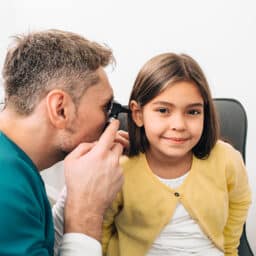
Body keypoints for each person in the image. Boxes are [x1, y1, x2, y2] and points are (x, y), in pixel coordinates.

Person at [102, 53, 252, 256]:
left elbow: (240, 200)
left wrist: (229, 250)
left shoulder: (226, 159)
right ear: (138, 114)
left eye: (193, 112)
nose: (179, 126)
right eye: (163, 110)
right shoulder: (120, 170)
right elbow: (99, 228)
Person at [0, 29, 128, 255]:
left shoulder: (16, 167)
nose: (111, 120)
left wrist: (82, 189)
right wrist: (87, 211)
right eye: (106, 107)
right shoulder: (7, 188)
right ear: (60, 109)